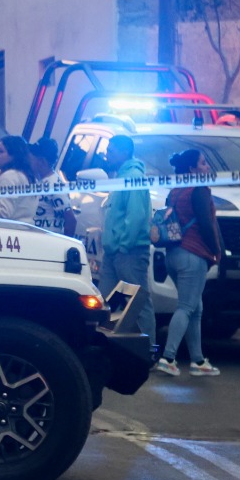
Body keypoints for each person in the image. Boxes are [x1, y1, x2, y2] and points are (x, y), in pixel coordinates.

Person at [155, 148, 223, 377]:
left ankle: (198, 360)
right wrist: (216, 251)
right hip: (193, 255)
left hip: (173, 255)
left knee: (195, 307)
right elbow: (207, 224)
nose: (207, 167)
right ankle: (168, 358)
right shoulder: (200, 191)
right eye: (203, 163)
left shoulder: (175, 191)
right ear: (193, 169)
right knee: (186, 307)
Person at [99, 134, 155, 342]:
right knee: (109, 304)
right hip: (116, 253)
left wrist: (123, 245)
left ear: (124, 153)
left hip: (128, 253)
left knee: (138, 304)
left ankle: (149, 350)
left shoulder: (133, 177)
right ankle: (113, 347)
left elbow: (137, 215)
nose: (106, 155)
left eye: (110, 151)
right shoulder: (122, 177)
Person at [30, 137, 76, 236]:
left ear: (42, 161)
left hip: (46, 243)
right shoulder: (41, 181)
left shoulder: (55, 185)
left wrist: (65, 246)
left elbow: (71, 220)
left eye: (32, 158)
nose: (30, 161)